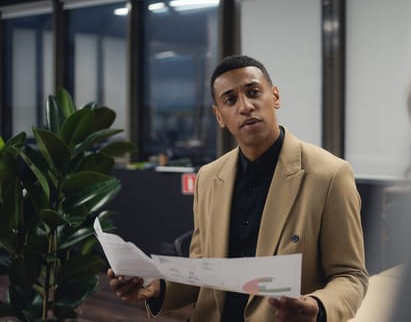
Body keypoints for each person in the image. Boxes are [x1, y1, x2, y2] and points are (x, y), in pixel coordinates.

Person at [107, 55, 368, 322]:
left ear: (275, 96)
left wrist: (318, 307)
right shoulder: (209, 178)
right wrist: (157, 288)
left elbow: (351, 275)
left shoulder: (330, 174)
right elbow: (201, 271)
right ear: (219, 115)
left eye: (254, 92)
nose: (245, 107)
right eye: (230, 100)